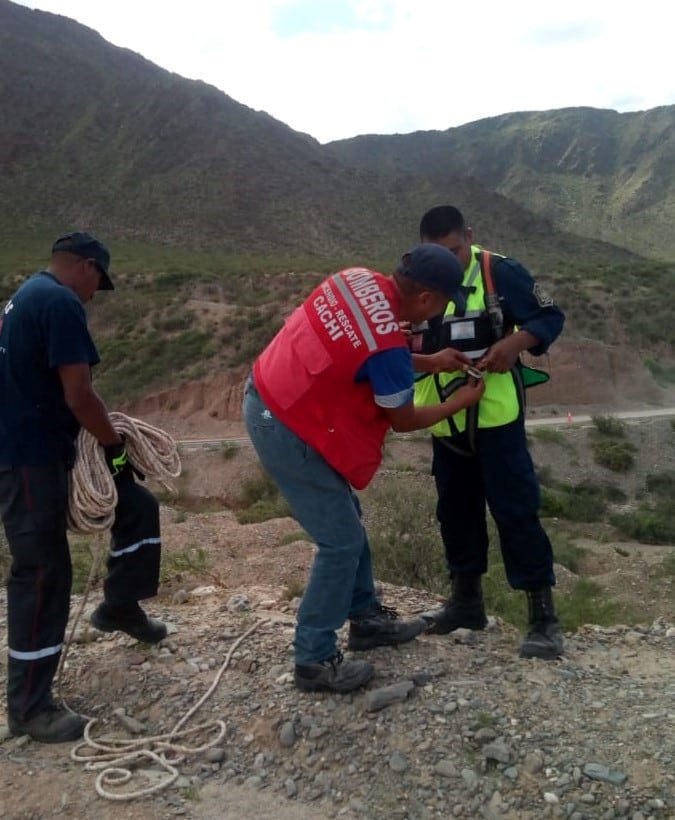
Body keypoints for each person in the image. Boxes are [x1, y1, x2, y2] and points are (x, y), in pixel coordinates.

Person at [243, 244, 485, 694]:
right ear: (428, 298)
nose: (440, 313)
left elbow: (367, 350)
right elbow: (404, 418)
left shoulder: (355, 279)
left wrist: (429, 362)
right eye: (444, 303)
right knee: (340, 541)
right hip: (286, 424)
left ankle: (366, 619)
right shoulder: (391, 346)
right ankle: (313, 659)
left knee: (348, 517)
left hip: (272, 396)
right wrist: (459, 401)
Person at [0, 232, 167, 744]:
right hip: (28, 458)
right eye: (100, 282)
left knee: (137, 505)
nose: (96, 293)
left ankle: (120, 605)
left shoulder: (26, 295)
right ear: (87, 267)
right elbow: (79, 393)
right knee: (44, 572)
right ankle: (29, 705)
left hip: (42, 447)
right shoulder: (62, 303)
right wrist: (114, 443)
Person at [412, 206, 565, 660]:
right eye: (435, 254)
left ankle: (542, 617)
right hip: (444, 418)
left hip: (496, 417)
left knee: (516, 512)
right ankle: (466, 603)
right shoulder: (415, 279)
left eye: (454, 252)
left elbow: (550, 317)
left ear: (470, 238)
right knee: (454, 512)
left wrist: (514, 344)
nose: (445, 264)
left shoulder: (500, 272)